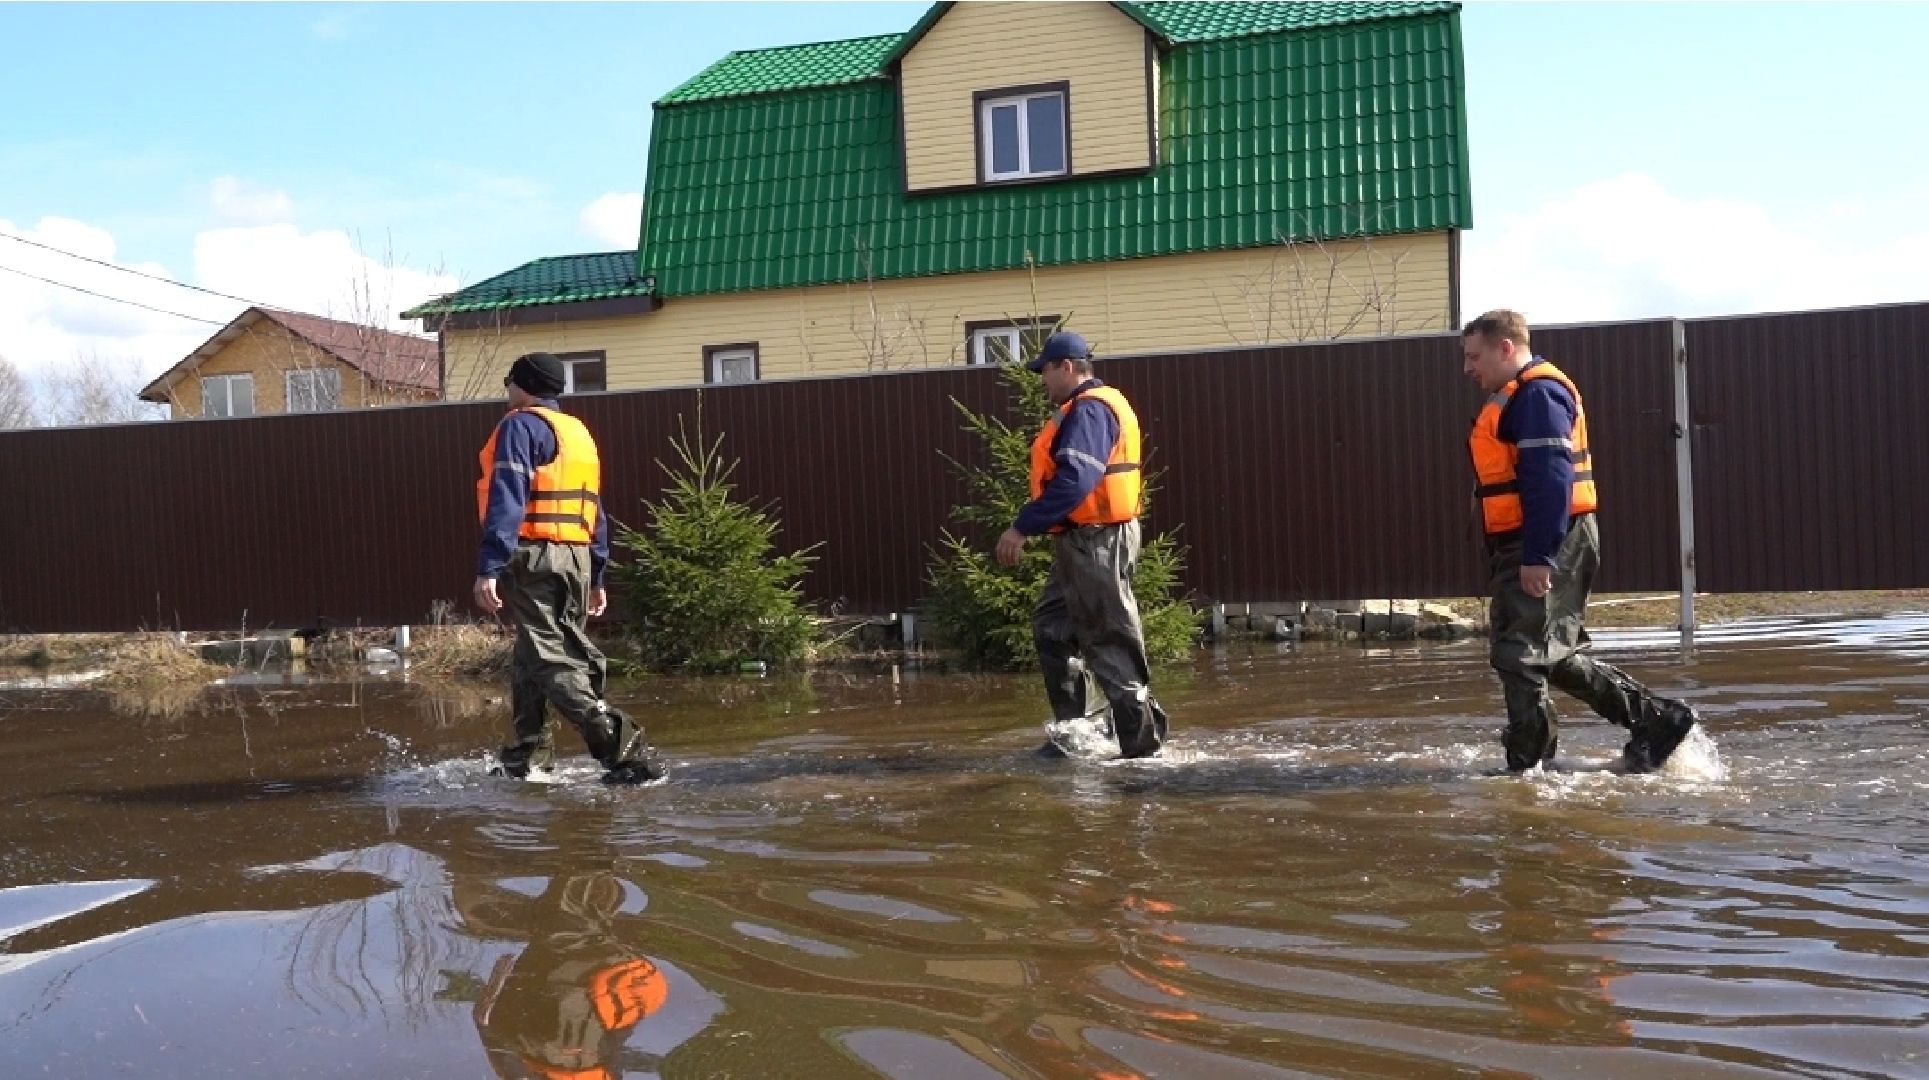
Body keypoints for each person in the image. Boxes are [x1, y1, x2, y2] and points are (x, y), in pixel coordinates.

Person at [1462, 310, 1700, 773]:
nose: (1468, 368)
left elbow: (1552, 479)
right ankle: (1654, 722)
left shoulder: (1537, 395)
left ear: (1505, 348)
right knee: (1550, 650)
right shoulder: (1520, 396)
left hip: (1547, 540)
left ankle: (1527, 770)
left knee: (1521, 654)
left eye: (1474, 356)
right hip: (1538, 540)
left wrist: (1538, 556)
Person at [475, 351, 664, 785]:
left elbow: (508, 498)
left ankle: (623, 751)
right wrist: (597, 574)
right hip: (575, 558)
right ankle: (527, 759)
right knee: (531, 655)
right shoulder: (578, 433)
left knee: (549, 655)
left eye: (509, 382)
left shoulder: (519, 426)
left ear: (523, 385)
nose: (507, 391)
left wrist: (489, 566)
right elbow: (595, 510)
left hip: (535, 555)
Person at [996, 331, 1170, 759]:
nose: (1042, 381)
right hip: (1084, 538)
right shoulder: (1090, 406)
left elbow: (1076, 479)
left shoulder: (1090, 410)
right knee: (1053, 627)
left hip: (1097, 540)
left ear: (1067, 367)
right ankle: (1078, 735)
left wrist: (1022, 527)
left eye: (1046, 372)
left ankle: (1142, 749)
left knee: (1108, 637)